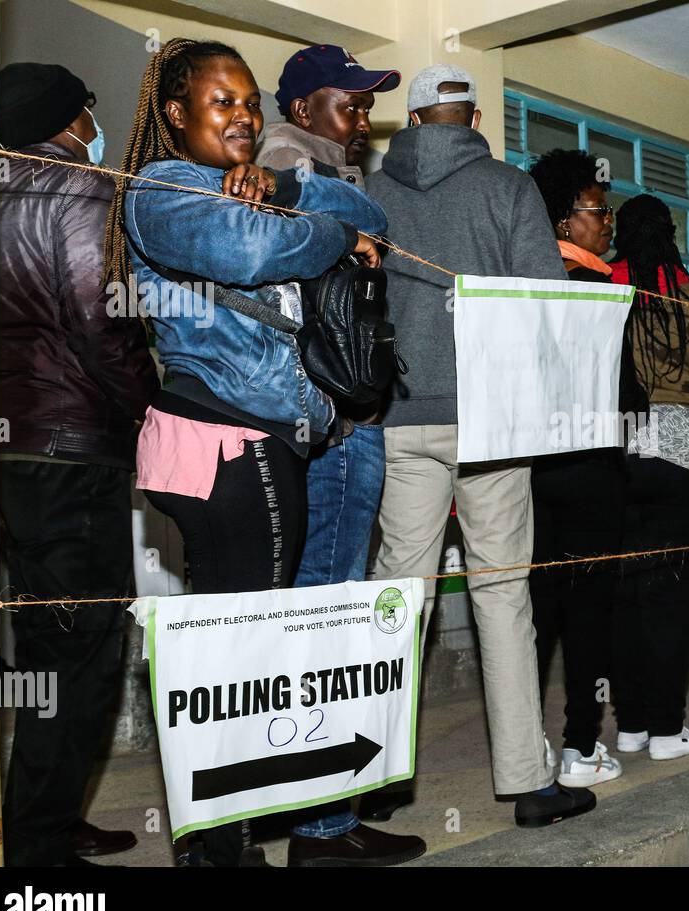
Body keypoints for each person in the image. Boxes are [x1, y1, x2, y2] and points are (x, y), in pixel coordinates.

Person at [109, 39, 410, 867]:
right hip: (227, 440)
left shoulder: (257, 184)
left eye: (249, 102)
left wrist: (284, 187)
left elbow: (377, 218)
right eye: (221, 102)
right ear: (175, 114)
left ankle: (227, 843)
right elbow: (253, 251)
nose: (242, 115)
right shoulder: (164, 188)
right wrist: (325, 232)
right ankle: (216, 851)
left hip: (260, 438)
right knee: (238, 661)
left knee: (240, 657)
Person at [366, 66, 595, 826]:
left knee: (401, 594)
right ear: (474, 113)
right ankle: (529, 783)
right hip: (489, 420)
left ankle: (376, 776)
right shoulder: (507, 186)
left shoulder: (374, 190)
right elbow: (540, 299)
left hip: (398, 415)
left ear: (411, 115)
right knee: (502, 592)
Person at [253, 43, 421, 864]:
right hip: (337, 428)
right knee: (327, 610)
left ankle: (307, 811)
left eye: (365, 105)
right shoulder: (291, 162)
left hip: (331, 421)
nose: (362, 120)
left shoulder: (317, 172)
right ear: (301, 108)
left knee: (315, 610)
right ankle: (319, 830)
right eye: (347, 104)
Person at [0, 63, 157, 867]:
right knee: (84, 653)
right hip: (71, 448)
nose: (96, 122)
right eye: (91, 109)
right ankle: (37, 847)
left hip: (2, 455)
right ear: (71, 117)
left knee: (34, 647)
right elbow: (104, 322)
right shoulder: (81, 188)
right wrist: (147, 408)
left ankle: (38, 817)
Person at [605, 194, 689, 759]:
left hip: (617, 456)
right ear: (670, 235)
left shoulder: (601, 288)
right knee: (674, 603)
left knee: (627, 598)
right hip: (688, 460)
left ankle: (632, 724)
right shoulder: (685, 293)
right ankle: (666, 729)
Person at [525, 148, 637, 779]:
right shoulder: (600, 290)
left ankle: (528, 744)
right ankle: (580, 744)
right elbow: (626, 391)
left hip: (535, 472)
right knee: (591, 609)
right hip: (593, 467)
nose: (608, 222)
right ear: (565, 222)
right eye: (599, 210)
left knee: (536, 610)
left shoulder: (527, 284)